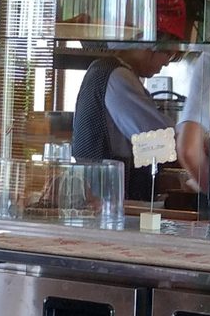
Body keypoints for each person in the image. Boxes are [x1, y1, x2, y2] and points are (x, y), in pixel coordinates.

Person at [70, 49, 197, 202]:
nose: (166, 63)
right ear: (149, 46)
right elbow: (155, 137)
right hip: (108, 193)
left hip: (98, 189)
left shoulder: (102, 68)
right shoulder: (118, 75)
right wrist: (195, 144)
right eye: (168, 54)